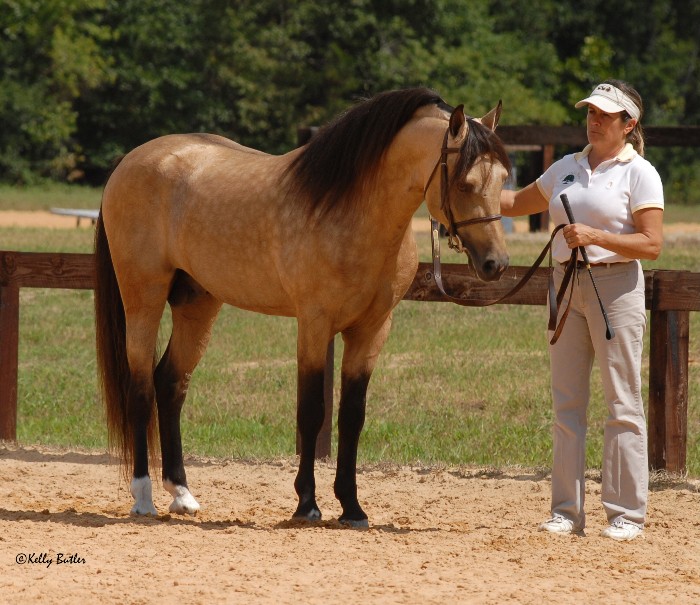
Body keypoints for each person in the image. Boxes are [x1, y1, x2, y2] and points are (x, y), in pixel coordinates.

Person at [501, 80, 664, 541]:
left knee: (622, 403)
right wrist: (468, 180)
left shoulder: (640, 173)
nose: (593, 120)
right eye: (590, 112)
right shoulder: (566, 167)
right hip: (566, 286)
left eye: (604, 115)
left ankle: (626, 514)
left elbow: (651, 244)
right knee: (567, 403)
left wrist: (595, 237)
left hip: (616, 288)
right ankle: (566, 513)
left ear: (628, 124)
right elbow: (513, 203)